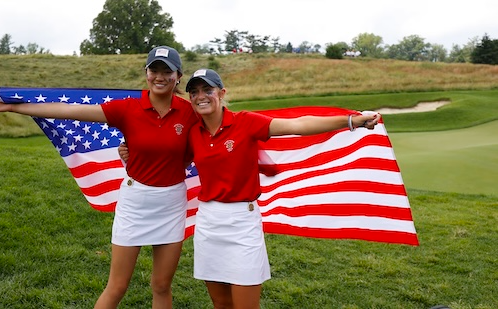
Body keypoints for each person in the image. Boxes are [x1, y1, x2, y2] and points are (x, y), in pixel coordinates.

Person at [119, 68, 380, 308]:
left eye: (207, 90)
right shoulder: (192, 131)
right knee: (221, 304)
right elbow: (165, 155)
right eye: (194, 91)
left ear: (221, 93)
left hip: (242, 223)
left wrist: (352, 121)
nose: (200, 96)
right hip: (209, 223)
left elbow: (297, 125)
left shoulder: (245, 122)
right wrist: (129, 154)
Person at [0, 46, 198, 309]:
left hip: (171, 203)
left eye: (167, 71)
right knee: (117, 286)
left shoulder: (190, 113)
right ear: (146, 73)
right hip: (136, 201)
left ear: (178, 76)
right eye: (155, 70)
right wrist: (13, 107)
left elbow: (218, 133)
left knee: (162, 286)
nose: (160, 77)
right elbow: (69, 111)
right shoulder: (128, 109)